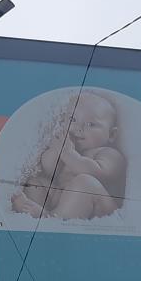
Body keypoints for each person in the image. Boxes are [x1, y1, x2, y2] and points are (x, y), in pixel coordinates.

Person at [12, 92, 126, 220]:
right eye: (73, 120)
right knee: (36, 182)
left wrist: (69, 155)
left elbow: (99, 174)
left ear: (111, 134)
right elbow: (49, 171)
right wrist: (57, 150)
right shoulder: (69, 147)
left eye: (90, 124)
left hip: (98, 207)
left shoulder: (109, 153)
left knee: (85, 182)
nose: (78, 128)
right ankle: (33, 212)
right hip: (64, 199)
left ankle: (51, 219)